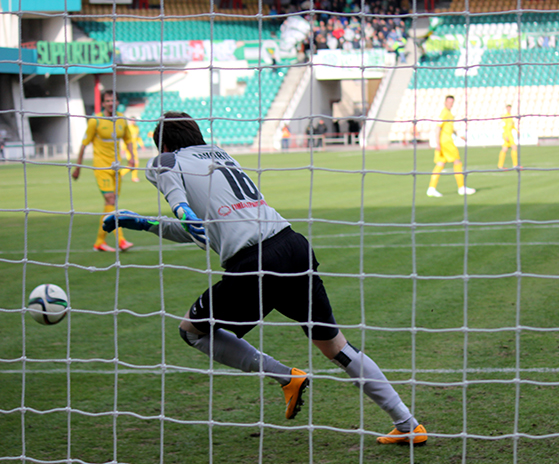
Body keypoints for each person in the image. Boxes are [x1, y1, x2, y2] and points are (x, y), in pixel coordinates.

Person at [102, 112, 427, 445]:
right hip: (292, 246)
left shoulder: (167, 160)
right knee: (337, 347)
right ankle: (408, 423)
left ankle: (286, 377)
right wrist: (145, 224)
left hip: (255, 262)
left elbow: (175, 192)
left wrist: (180, 209)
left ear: (166, 144)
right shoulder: (220, 156)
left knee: (192, 331)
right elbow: (202, 232)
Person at [72, 90, 136, 252]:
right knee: (110, 200)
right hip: (101, 167)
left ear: (117, 102)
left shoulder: (121, 119)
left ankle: (99, 242)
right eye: (107, 101)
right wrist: (78, 167)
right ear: (103, 103)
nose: (110, 103)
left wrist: (132, 158)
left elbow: (128, 139)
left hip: (116, 167)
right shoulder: (95, 121)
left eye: (113, 100)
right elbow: (84, 145)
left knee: (111, 204)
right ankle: (121, 240)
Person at [427, 95, 475, 197]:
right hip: (446, 142)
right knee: (457, 162)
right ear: (445, 102)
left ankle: (431, 189)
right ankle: (461, 188)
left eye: (452, 102)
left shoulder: (449, 113)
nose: (450, 104)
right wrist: (437, 143)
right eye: (448, 102)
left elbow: (449, 128)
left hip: (444, 142)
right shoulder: (444, 113)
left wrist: (459, 135)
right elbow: (438, 128)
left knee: (440, 164)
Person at [121, 118, 145, 182]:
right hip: (129, 149)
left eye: (134, 120)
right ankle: (121, 173)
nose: (133, 122)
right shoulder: (128, 128)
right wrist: (123, 149)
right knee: (132, 163)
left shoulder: (136, 128)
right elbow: (126, 139)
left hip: (134, 148)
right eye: (132, 120)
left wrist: (142, 145)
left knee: (136, 163)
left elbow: (138, 138)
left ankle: (134, 177)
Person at [497, 104, 518, 170]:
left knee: (505, 149)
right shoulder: (505, 116)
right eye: (508, 108)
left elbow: (512, 126)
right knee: (514, 147)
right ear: (506, 108)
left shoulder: (511, 116)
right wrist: (506, 135)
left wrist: (517, 131)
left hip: (510, 134)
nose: (509, 109)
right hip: (507, 134)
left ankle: (500, 166)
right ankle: (515, 165)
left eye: (510, 108)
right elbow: (503, 126)